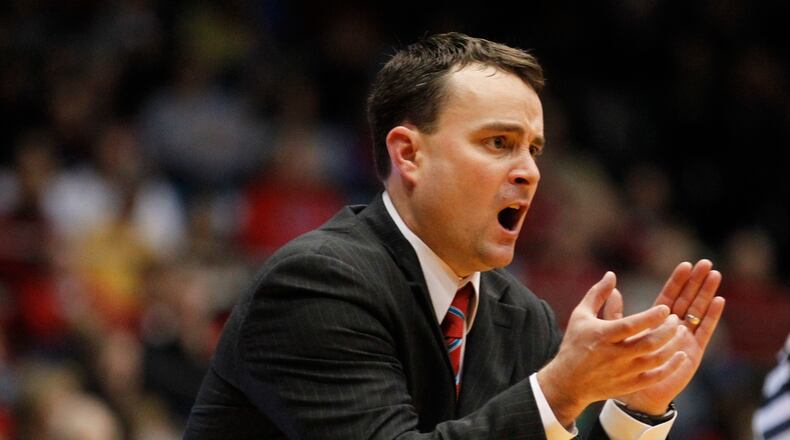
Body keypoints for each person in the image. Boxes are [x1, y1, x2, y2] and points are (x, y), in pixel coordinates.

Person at [185, 32, 725, 439]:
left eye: (533, 149)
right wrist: (560, 390)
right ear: (408, 154)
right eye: (498, 142)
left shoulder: (521, 316)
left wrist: (640, 408)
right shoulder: (318, 283)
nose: (529, 172)